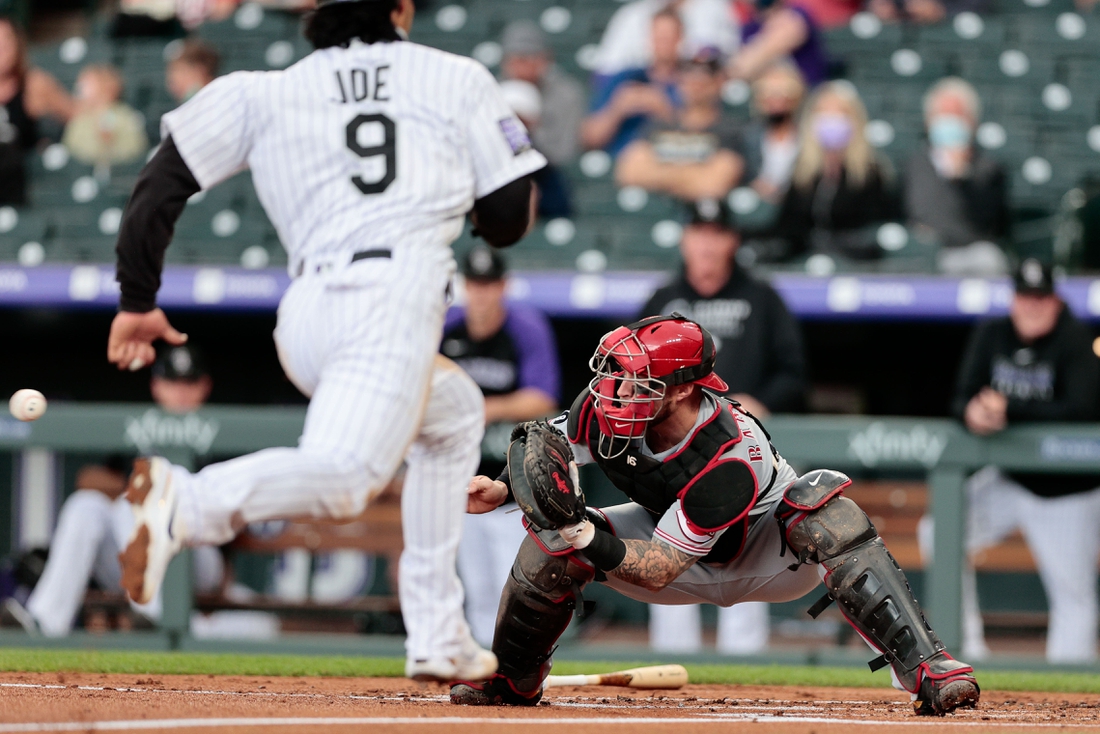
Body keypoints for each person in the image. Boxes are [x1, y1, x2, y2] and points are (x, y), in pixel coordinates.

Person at [105, 0, 546, 683]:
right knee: (346, 479)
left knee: (454, 414)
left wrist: (137, 301)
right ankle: (185, 502)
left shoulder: (266, 88)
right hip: (391, 298)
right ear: (400, 10)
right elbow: (510, 216)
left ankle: (437, 633)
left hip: (307, 314)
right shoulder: (453, 75)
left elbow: (160, 181)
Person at [448, 315, 980, 716]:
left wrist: (581, 530)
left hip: (766, 552)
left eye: (639, 382)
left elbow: (658, 568)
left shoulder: (730, 454)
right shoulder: (608, 402)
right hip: (667, 530)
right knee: (549, 538)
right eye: (616, 375)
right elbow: (550, 449)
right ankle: (513, 679)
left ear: (683, 388)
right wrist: (501, 488)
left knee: (827, 511)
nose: (616, 391)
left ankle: (927, 667)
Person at [640, 201, 806, 654]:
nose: (708, 244)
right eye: (699, 232)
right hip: (674, 452)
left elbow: (795, 371)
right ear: (685, 239)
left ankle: (746, 672)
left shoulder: (761, 297)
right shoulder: (663, 301)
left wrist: (762, 401)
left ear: (733, 241)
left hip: (740, 450)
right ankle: (674, 663)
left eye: (717, 233)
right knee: (666, 547)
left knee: (745, 545)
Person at [925, 259, 1100, 664]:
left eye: (1041, 298)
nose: (1033, 306)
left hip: (1065, 492)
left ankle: (1065, 693)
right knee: (938, 532)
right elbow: (960, 396)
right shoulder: (993, 333)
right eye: (1025, 297)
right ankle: (965, 650)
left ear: (1055, 301)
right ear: (1013, 298)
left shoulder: (1073, 339)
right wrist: (973, 413)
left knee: (1073, 595)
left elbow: (1083, 410)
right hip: (1009, 479)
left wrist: (1011, 411)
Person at [5, 346, 224, 637]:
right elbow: (88, 479)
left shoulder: (217, 434)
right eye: (173, 382)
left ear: (205, 386)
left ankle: (152, 615)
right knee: (88, 506)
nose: (181, 392)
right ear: (156, 386)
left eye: (189, 382)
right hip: (136, 556)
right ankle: (44, 621)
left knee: (133, 505)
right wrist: (135, 487)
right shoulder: (142, 432)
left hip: (198, 554)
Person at [444, 245, 560, 646]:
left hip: (512, 484)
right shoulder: (448, 328)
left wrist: (477, 407)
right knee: (475, 587)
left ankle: (516, 665)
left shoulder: (524, 327)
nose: (481, 293)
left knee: (512, 586)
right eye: (475, 284)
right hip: (462, 483)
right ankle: (483, 670)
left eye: (489, 284)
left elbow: (542, 398)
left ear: (503, 286)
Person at [775, 81, 899, 260]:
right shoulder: (800, 170)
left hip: (856, 263)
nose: (830, 119)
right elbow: (788, 226)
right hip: (804, 261)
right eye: (822, 112)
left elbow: (875, 229)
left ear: (854, 119)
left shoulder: (872, 172)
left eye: (839, 112)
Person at [904, 78, 1009, 277]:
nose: (949, 122)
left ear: (971, 122)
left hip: (972, 251)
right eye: (943, 114)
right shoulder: (915, 165)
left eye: (956, 115)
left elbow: (989, 226)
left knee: (988, 259)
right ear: (929, 121)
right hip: (927, 252)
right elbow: (911, 216)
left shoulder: (989, 168)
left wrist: (962, 177)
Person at [616, 48, 744, 202]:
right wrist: (691, 176)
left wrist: (657, 174)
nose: (695, 83)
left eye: (704, 78)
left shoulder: (731, 130)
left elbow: (714, 184)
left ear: (719, 82)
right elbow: (629, 172)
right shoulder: (659, 125)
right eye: (688, 76)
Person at [581, 8, 682, 158]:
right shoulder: (625, 78)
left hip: (670, 161)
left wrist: (663, 109)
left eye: (668, 37)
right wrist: (617, 109)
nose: (662, 44)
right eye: (658, 36)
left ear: (680, 38)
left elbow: (703, 135)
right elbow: (589, 138)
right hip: (620, 161)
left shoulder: (694, 83)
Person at [0, 17, 74, 205]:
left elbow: (76, 116)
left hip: (24, 189)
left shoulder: (35, 83)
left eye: (7, 39)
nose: (2, 47)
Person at [499, 22, 585, 173]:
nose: (523, 65)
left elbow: (562, 154)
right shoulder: (494, 90)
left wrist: (531, 130)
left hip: (549, 174)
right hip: (503, 173)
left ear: (546, 59)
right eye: (518, 58)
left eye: (530, 57)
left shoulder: (565, 93)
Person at [593, 0, 739, 79]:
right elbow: (604, 75)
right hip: (641, 99)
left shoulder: (714, 7)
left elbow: (725, 65)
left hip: (691, 97)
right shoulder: (632, 14)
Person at [499, 80, 570, 218]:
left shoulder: (544, 170)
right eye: (507, 121)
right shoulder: (471, 165)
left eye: (520, 120)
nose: (514, 129)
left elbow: (558, 211)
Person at [739, 61, 805, 204]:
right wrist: (756, 185)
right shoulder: (747, 135)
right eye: (768, 92)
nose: (776, 99)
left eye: (784, 91)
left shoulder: (808, 135)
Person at [63, 64, 150, 167]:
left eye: (86, 84)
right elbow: (71, 149)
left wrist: (111, 142)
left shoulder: (126, 116)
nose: (79, 88)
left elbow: (137, 147)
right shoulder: (79, 120)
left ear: (108, 87)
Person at [728, 0, 828, 87]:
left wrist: (749, 61)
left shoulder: (797, 13)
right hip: (764, 99)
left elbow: (742, 68)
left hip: (807, 92)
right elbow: (738, 71)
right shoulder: (749, 28)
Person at [166, 39, 220, 105]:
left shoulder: (223, 99)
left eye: (181, 71)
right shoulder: (183, 111)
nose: (173, 78)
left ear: (200, 70)